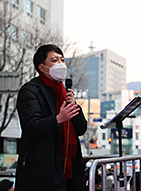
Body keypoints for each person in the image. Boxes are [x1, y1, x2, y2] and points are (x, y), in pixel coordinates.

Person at [15, 44, 87, 191]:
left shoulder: (64, 92)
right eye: (54, 60)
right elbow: (31, 127)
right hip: (42, 171)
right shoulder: (30, 90)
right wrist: (58, 119)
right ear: (42, 67)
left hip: (70, 169)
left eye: (62, 60)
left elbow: (81, 129)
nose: (60, 64)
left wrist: (74, 106)